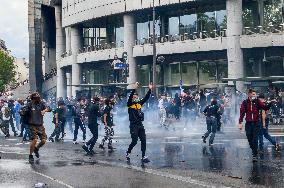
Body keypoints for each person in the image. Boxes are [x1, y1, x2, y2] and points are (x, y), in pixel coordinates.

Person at [239, 89, 274, 162]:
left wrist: (270, 103)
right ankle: (254, 150)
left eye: (255, 94)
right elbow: (242, 113)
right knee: (249, 139)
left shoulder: (258, 101)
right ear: (249, 94)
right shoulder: (245, 102)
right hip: (248, 124)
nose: (255, 96)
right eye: (253, 94)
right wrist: (240, 122)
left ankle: (254, 155)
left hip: (256, 123)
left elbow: (265, 108)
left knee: (255, 139)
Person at [126, 83, 152, 163]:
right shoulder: (129, 104)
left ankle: (143, 156)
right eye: (134, 96)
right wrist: (134, 89)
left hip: (140, 125)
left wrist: (150, 89)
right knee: (134, 141)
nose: (135, 97)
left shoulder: (139, 104)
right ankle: (128, 152)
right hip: (133, 125)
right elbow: (130, 98)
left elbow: (146, 98)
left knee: (143, 140)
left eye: (136, 96)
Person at [27, 92, 50, 163]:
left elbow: (49, 108)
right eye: (36, 97)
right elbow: (23, 111)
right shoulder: (29, 104)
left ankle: (36, 148)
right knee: (34, 140)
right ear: (33, 98)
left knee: (43, 141)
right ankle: (30, 155)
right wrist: (22, 112)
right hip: (32, 125)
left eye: (38, 97)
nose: (38, 98)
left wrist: (44, 110)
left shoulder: (41, 104)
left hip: (40, 125)